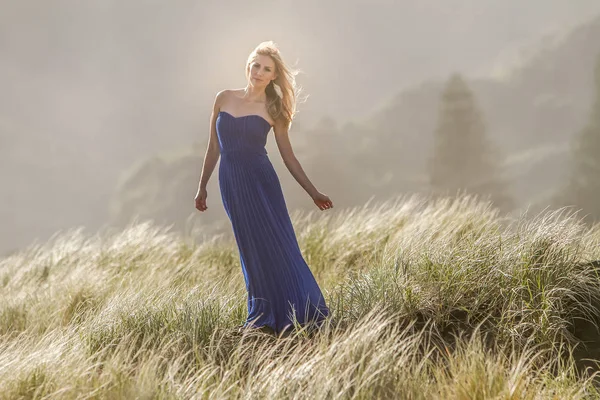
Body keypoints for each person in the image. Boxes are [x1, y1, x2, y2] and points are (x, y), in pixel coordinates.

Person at [194, 41, 333, 335]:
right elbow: (213, 147)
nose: (258, 72)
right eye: (255, 65)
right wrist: (202, 186)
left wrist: (313, 192)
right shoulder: (223, 97)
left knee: (277, 243)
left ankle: (299, 310)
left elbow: (288, 156)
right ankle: (261, 312)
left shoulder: (274, 109)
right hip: (231, 182)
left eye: (266, 69)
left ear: (273, 76)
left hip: (261, 182)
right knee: (250, 247)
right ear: (248, 65)